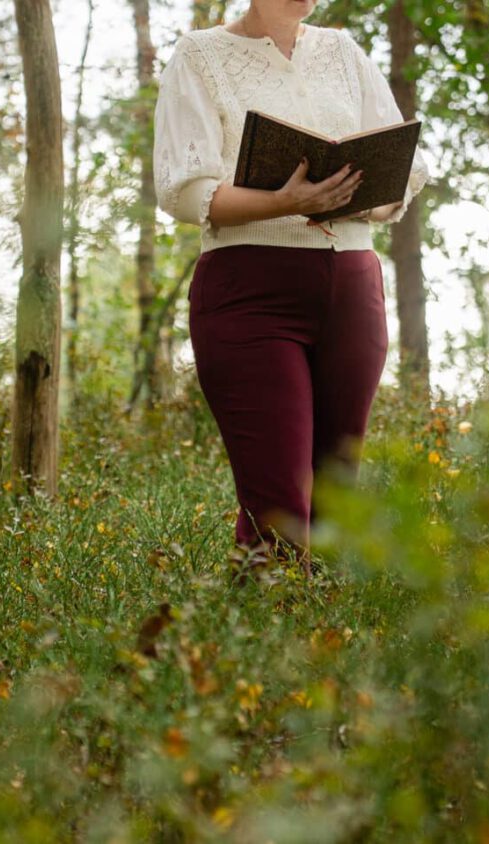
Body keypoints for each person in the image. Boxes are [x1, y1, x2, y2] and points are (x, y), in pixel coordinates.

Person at [153, 0, 431, 570]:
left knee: (335, 496)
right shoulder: (200, 55)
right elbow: (182, 190)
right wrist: (286, 202)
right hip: (250, 293)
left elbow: (405, 165)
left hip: (353, 287)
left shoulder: (344, 52)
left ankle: (318, 646)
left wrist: (362, 199)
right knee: (277, 505)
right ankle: (265, 642)